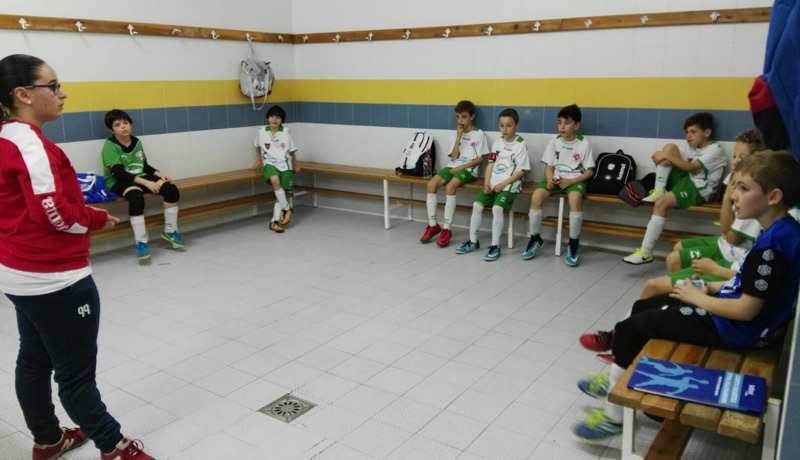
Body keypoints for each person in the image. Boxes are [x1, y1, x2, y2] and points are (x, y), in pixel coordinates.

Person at [572, 150, 800, 443]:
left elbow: (746, 309)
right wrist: (711, 288)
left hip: (736, 330)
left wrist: (697, 298)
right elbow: (751, 285)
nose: (733, 195)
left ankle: (613, 415)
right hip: (737, 318)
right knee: (645, 305)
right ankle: (621, 369)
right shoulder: (781, 230)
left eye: (744, 189)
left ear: (773, 197)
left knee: (634, 327)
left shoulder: (773, 248)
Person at [0, 54, 154, 459]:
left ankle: (48, 440)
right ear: (23, 95)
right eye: (53, 86)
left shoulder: (6, 137)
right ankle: (114, 447)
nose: (62, 93)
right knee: (76, 374)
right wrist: (94, 218)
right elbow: (51, 211)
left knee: (34, 360)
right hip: (55, 279)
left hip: (19, 272)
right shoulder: (28, 143)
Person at [639, 129, 765, 299]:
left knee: (665, 269)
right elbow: (726, 229)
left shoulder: (754, 196)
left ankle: (686, 293)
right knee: (678, 247)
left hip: (732, 253)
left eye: (741, 158)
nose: (735, 162)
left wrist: (727, 198)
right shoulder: (733, 178)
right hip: (725, 243)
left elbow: (730, 235)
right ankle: (686, 291)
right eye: (734, 156)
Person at [623, 112, 728, 265]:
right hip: (686, 181)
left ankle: (645, 253)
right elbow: (670, 163)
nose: (688, 136)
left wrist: (664, 156)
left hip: (699, 189)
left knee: (661, 203)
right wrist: (662, 156)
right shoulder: (691, 147)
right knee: (670, 148)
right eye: (687, 132)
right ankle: (659, 190)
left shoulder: (716, 149)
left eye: (693, 132)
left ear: (707, 132)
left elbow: (691, 167)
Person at [102, 109, 184, 260]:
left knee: (171, 189)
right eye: (117, 125)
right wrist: (147, 182)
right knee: (136, 196)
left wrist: (159, 174)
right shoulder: (110, 146)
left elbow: (144, 166)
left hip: (140, 177)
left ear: (131, 125)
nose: (123, 126)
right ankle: (141, 242)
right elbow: (119, 173)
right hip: (118, 181)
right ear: (111, 130)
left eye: (125, 123)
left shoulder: (137, 142)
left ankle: (170, 231)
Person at [522, 104, 595, 266]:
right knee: (536, 196)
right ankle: (535, 238)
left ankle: (573, 243)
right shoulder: (554, 141)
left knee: (575, 199)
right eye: (559, 122)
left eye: (567, 123)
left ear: (576, 125)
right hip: (556, 178)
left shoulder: (584, 144)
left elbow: (590, 171)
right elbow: (548, 166)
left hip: (574, 179)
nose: (562, 126)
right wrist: (549, 178)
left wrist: (572, 181)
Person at [455, 108, 530, 261]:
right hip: (493, 183)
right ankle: (473, 242)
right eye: (501, 125)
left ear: (517, 125)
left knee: (497, 208)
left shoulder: (520, 144)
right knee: (477, 205)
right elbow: (490, 164)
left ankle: (495, 246)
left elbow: (521, 171)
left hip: (510, 184)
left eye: (509, 125)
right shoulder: (497, 143)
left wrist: (503, 184)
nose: (505, 129)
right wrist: (486, 183)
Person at [420, 100, 489, 247]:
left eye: (464, 117)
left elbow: (480, 159)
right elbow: (453, 158)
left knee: (450, 187)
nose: (460, 121)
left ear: (472, 117)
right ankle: (433, 225)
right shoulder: (456, 134)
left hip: (469, 169)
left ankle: (447, 229)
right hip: (453, 166)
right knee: (431, 185)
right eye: (457, 117)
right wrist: (458, 137)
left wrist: (461, 167)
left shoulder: (479, 134)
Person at [251, 104, 298, 233]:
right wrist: (258, 160)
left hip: (284, 163)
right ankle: (287, 209)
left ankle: (275, 221)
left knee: (280, 193)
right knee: (275, 181)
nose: (274, 120)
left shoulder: (286, 132)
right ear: (267, 118)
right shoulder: (261, 131)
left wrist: (296, 164)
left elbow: (292, 150)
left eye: (278, 117)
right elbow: (257, 146)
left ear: (282, 120)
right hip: (269, 162)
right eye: (272, 116)